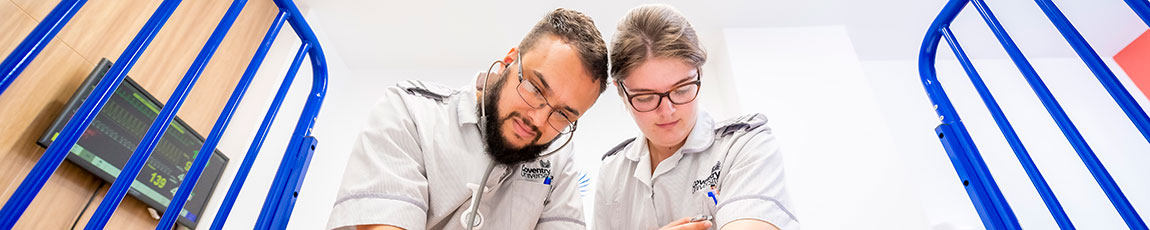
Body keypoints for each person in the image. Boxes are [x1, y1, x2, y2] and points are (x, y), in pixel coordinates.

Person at [326, 8, 609, 230]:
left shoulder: (557, 163)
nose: (538, 119)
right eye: (535, 88)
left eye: (561, 115)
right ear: (509, 63)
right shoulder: (410, 112)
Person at [593, 4, 798, 230]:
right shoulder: (612, 172)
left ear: (699, 74)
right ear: (621, 92)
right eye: (646, 98)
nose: (667, 110)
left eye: (681, 90)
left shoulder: (745, 145)